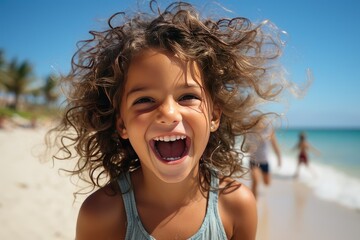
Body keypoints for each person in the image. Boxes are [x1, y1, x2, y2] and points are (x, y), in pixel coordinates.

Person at [47, 1, 288, 239]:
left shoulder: (237, 206)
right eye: (144, 100)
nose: (169, 113)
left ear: (214, 116)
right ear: (122, 125)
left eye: (187, 96)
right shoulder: (102, 215)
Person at [248, 120, 282, 199]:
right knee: (255, 181)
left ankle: (259, 179)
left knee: (267, 183)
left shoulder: (269, 131)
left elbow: (275, 145)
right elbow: (246, 144)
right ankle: (254, 203)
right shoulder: (250, 131)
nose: (259, 125)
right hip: (253, 161)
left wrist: (279, 157)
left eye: (262, 122)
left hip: (264, 161)